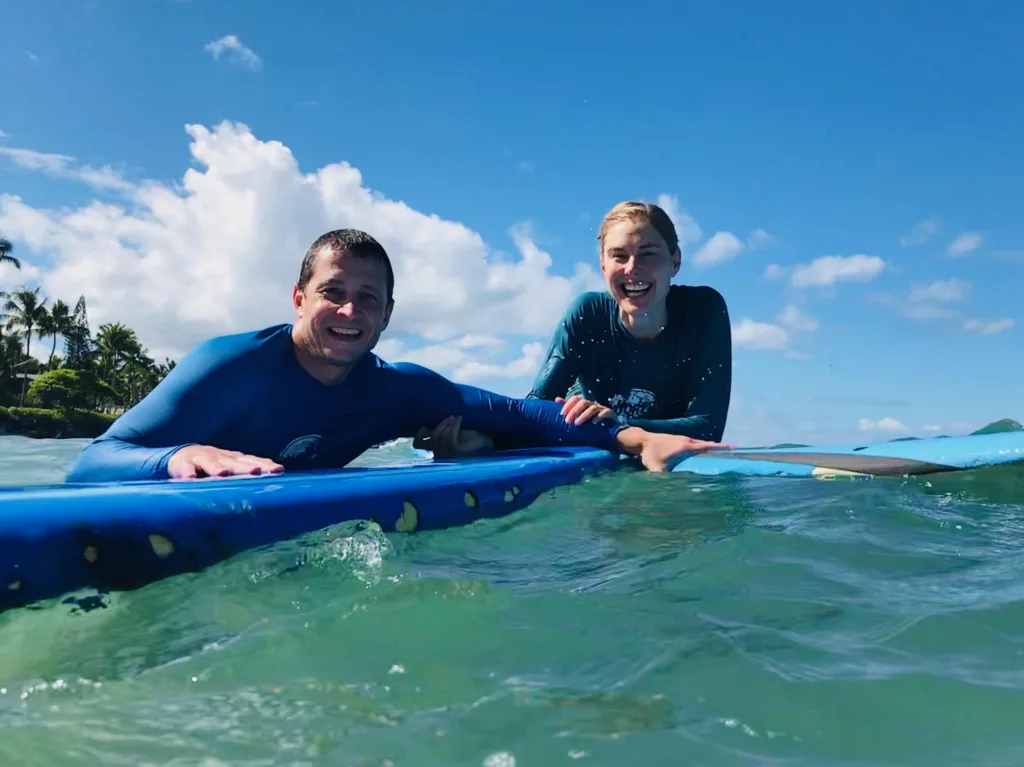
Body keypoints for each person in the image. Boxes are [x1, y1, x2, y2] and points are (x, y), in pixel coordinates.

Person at [65, 229, 731, 484]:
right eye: (333, 293)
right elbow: (89, 465)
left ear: (387, 314)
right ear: (298, 296)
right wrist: (175, 456)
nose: (349, 313)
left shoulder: (395, 391)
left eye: (368, 299)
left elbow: (521, 411)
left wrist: (636, 435)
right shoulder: (228, 366)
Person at [527, 200, 732, 442]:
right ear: (603, 265)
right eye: (619, 256)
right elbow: (533, 408)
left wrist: (617, 424)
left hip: (633, 450)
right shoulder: (587, 314)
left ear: (675, 260)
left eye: (648, 254)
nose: (632, 268)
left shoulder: (703, 310)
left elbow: (709, 428)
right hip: (595, 447)